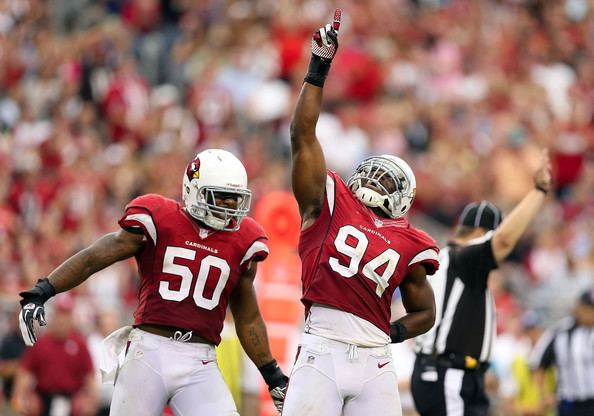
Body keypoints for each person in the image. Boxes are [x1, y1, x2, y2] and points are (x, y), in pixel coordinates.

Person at [17, 148, 288, 416]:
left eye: (235, 200)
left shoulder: (242, 241)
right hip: (149, 352)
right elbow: (94, 257)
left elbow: (248, 316)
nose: (229, 208)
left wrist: (272, 375)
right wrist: (44, 289)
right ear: (195, 190)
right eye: (222, 198)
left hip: (201, 359)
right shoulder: (162, 218)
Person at [282, 10, 440, 416]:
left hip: (376, 358)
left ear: (403, 198)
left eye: (388, 180)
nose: (375, 181)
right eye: (374, 173)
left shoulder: (411, 240)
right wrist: (318, 68)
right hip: (322, 346)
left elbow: (426, 311)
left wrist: (394, 330)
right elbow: (302, 135)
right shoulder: (328, 199)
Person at [411, 150, 553, 416]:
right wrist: (539, 191)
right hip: (449, 374)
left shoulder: (449, 260)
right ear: (480, 235)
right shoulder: (465, 259)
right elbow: (503, 241)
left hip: (446, 373)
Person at [12, 295, 98, 416]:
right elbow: (25, 371)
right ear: (53, 317)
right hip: (44, 397)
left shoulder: (80, 345)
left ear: (72, 318)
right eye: (59, 315)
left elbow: (89, 375)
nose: (62, 320)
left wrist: (92, 401)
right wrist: (19, 396)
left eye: (66, 315)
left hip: (72, 397)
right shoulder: (41, 343)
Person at [529, 288, 594, 416]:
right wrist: (545, 395)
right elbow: (538, 366)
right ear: (579, 307)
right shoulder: (559, 333)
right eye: (590, 309)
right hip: (569, 403)